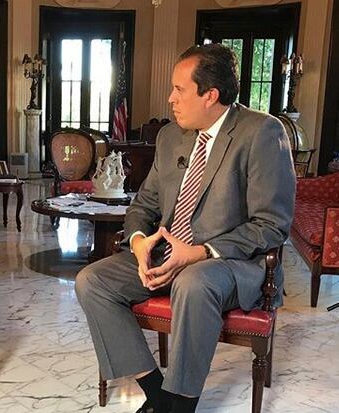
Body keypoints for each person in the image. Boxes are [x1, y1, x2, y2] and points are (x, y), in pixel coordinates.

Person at [75, 43, 295, 413]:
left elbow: (272, 225)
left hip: (230, 263)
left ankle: (181, 404)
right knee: (91, 281)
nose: (171, 98)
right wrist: (140, 242)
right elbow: (144, 205)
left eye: (179, 89)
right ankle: (157, 394)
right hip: (166, 254)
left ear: (210, 95)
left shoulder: (262, 133)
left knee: (195, 281)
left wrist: (197, 253)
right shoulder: (170, 136)